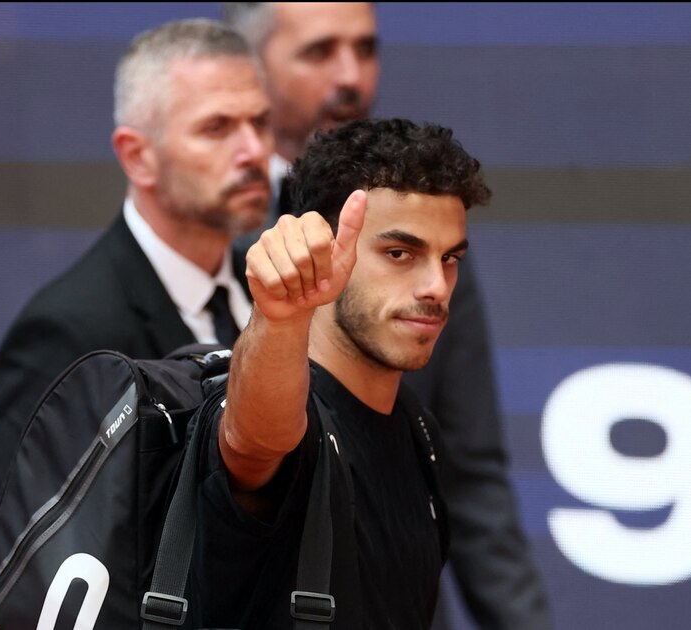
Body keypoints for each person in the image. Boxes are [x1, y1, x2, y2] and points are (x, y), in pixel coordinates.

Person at [223, 4, 553, 628]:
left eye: (366, 49)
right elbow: (250, 444)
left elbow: (471, 476)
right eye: (319, 52)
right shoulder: (199, 235)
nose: (350, 76)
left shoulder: (429, 223)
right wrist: (280, 320)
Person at [0, 19, 272, 534]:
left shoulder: (275, 299)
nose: (254, 152)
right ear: (138, 157)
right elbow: (21, 563)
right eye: (217, 128)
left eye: (261, 123)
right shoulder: (69, 332)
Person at [193, 117, 488, 629]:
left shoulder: (417, 427)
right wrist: (280, 316)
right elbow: (252, 442)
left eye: (450, 259)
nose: (437, 287)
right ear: (329, 251)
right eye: (400, 253)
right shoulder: (292, 422)